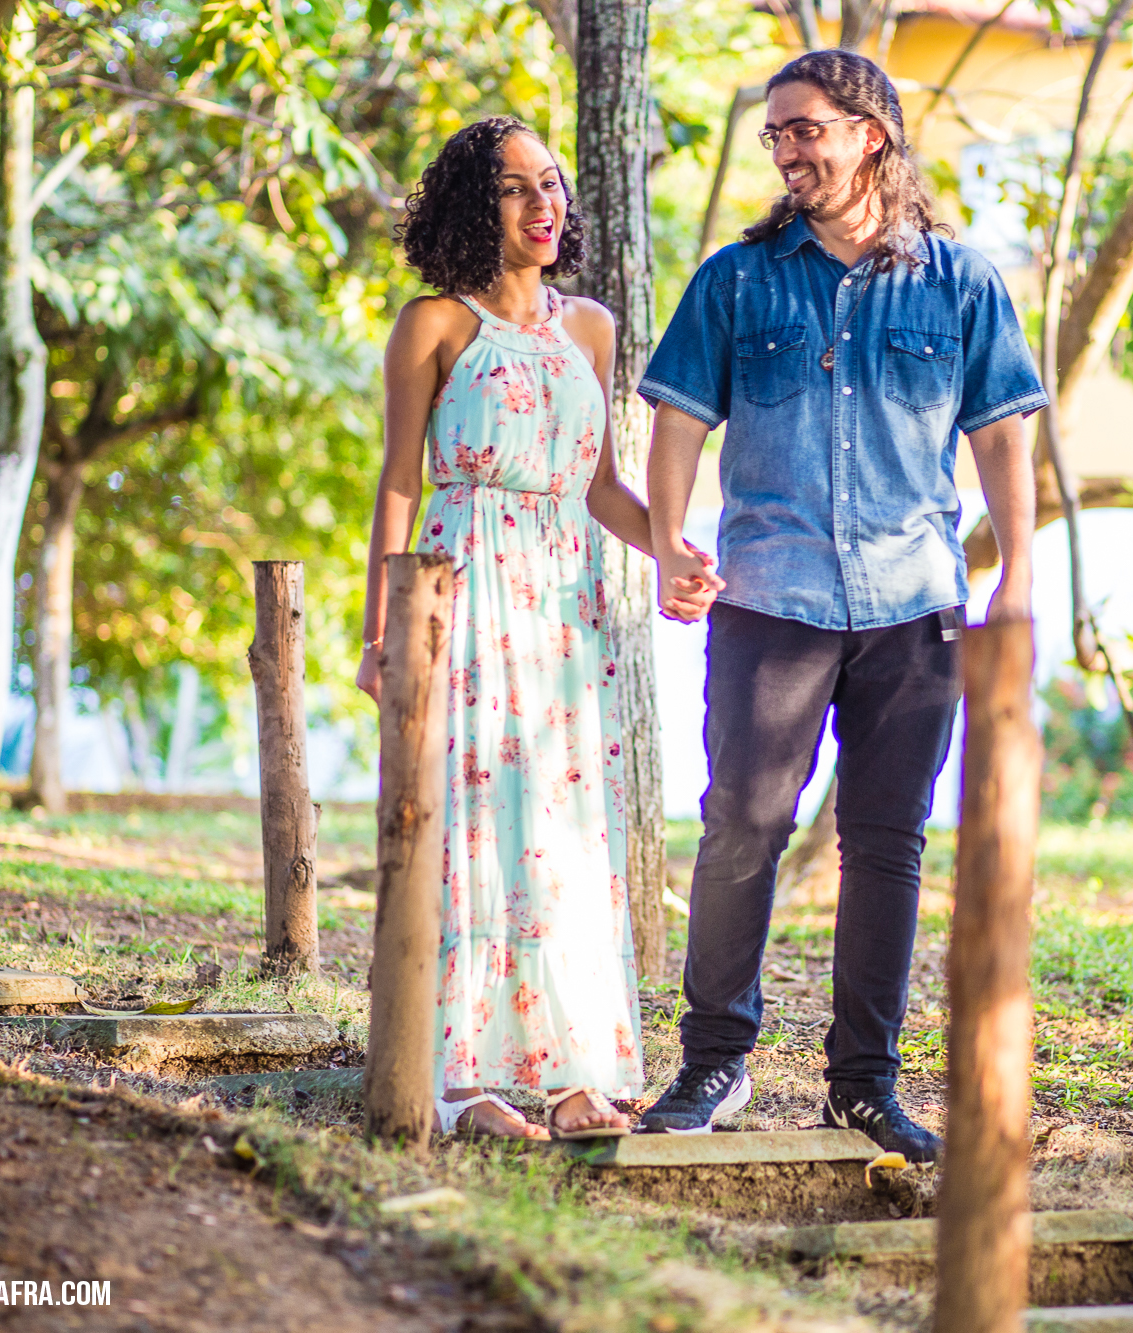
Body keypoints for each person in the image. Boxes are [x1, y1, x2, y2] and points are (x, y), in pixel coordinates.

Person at [635, 50, 1044, 1159]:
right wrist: (671, 539)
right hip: (769, 599)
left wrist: (1015, 569)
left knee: (885, 844)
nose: (786, 150)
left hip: (915, 614)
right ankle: (713, 1060)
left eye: (803, 128)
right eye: (775, 134)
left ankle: (860, 1083)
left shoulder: (958, 280)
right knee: (741, 829)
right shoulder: (735, 279)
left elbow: (1002, 430)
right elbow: (676, 419)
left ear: (870, 133)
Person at [356, 116, 720, 1141]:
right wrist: (383, 628)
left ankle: (568, 1070)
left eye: (550, 184)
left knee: (560, 836)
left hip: (563, 606)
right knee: (470, 828)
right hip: (460, 585)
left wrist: (673, 553)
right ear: (478, 207)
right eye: (515, 189)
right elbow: (398, 483)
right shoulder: (433, 326)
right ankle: (461, 1079)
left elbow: (600, 486)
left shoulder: (590, 329)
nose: (541, 204)